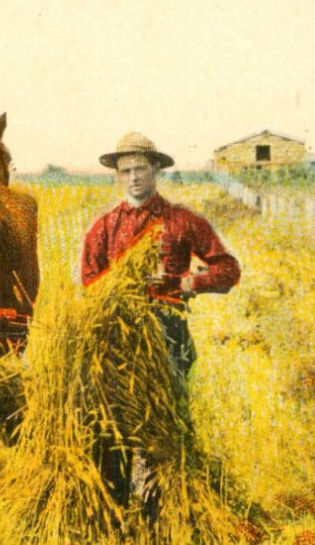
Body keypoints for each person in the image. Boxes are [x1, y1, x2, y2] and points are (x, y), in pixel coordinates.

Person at [80, 132, 241, 378]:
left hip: (170, 334)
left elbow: (229, 270)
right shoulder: (104, 227)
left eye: (140, 169)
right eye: (126, 171)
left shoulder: (182, 220)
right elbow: (89, 282)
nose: (133, 177)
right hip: (119, 336)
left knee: (174, 408)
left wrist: (188, 283)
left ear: (155, 169)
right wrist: (119, 287)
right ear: (118, 176)